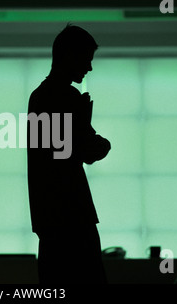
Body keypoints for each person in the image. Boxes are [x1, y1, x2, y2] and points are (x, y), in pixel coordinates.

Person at [27, 24, 111, 284]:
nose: (89, 67)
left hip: (52, 216)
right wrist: (92, 138)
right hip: (71, 213)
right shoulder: (63, 97)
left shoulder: (41, 97)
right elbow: (73, 152)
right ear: (70, 56)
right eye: (86, 59)